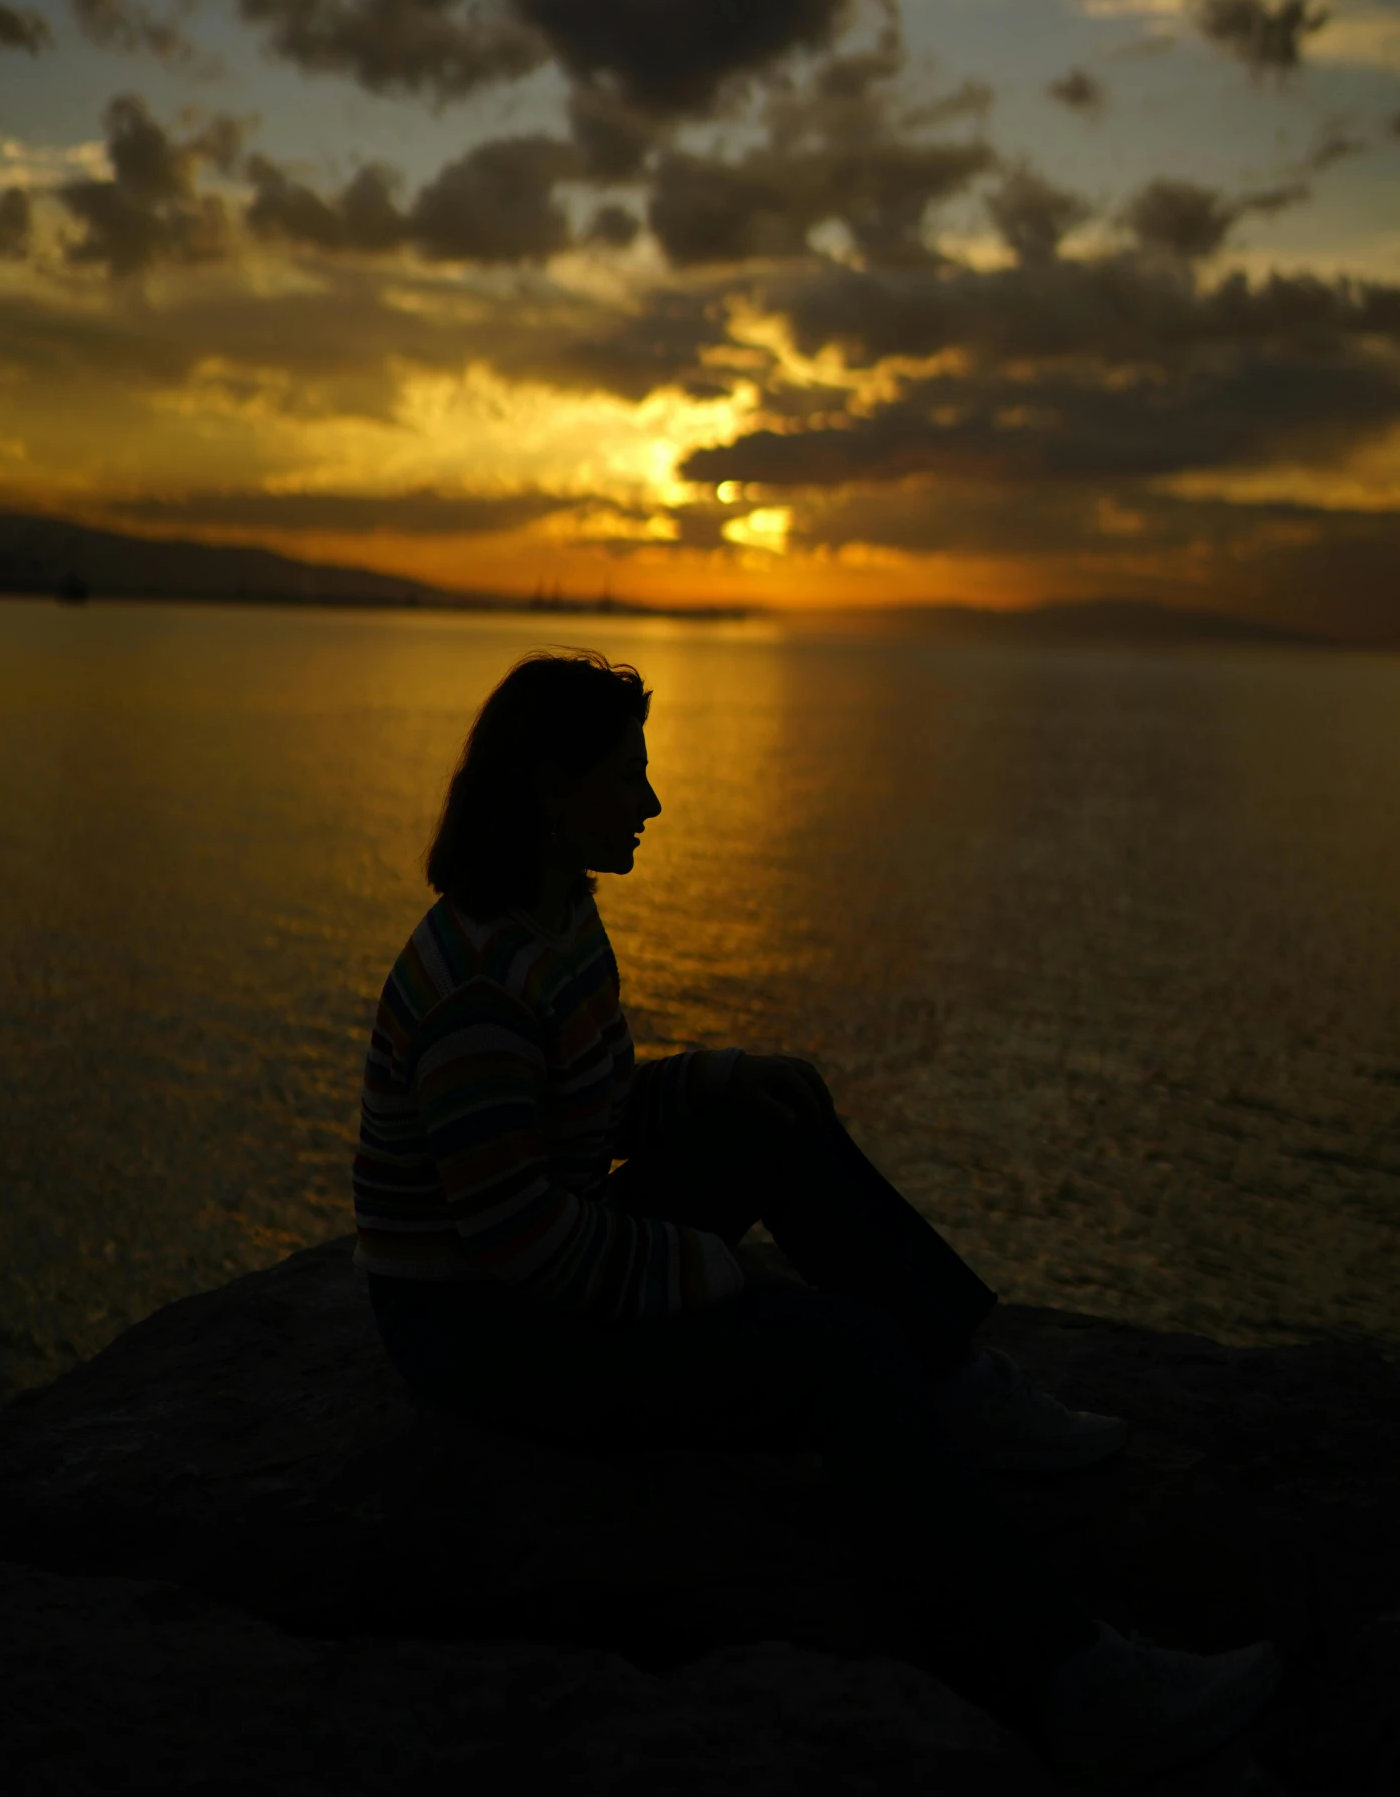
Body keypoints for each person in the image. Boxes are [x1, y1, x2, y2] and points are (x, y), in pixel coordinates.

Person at [353, 651, 1280, 1787]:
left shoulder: (559, 918)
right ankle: (1075, 1683)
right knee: (838, 1355)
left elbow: (577, 1115)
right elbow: (515, 1238)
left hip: (530, 1260)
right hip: (479, 1328)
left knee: (776, 1121)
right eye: (626, 777)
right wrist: (714, 1274)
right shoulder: (483, 981)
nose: (651, 802)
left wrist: (715, 1078)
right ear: (552, 789)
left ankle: (956, 1384)